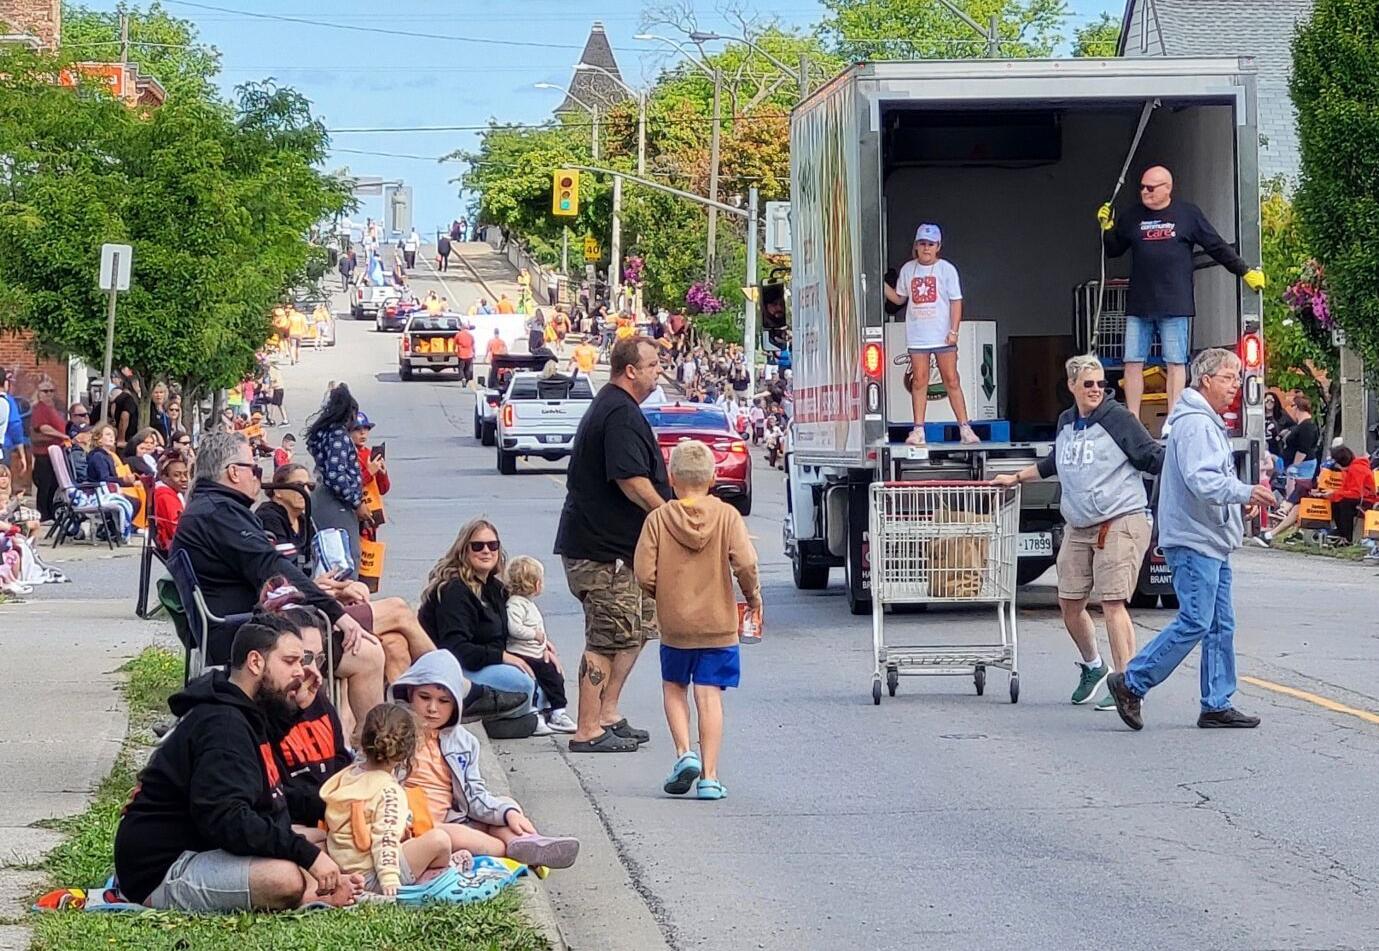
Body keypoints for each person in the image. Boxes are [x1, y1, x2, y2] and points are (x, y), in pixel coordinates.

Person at [113, 620, 363, 911]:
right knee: (285, 878)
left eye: (303, 661)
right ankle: (309, 894)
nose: (301, 671)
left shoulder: (244, 711)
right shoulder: (223, 726)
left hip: (205, 846)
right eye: (290, 661)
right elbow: (227, 820)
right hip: (162, 870)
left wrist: (300, 706)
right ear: (255, 662)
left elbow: (262, 780)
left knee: (322, 840)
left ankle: (314, 884)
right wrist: (306, 857)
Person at [1106, 348, 1274, 731]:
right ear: (1207, 380)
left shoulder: (1202, 420)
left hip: (1208, 537)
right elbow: (1202, 480)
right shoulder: (1196, 424)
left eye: (1236, 377)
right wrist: (1245, 494)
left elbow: (1207, 482)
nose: (1236, 385)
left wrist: (1237, 504)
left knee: (1218, 624)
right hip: (1196, 539)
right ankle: (1132, 682)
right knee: (1197, 620)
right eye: (1230, 377)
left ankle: (1216, 701)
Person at [170, 431, 384, 725]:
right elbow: (271, 566)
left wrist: (326, 596)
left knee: (391, 641)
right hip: (246, 633)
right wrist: (336, 613)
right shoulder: (219, 513)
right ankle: (380, 752)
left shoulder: (212, 509)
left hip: (247, 622)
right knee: (370, 652)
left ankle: (398, 739)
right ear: (233, 472)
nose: (259, 476)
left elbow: (269, 572)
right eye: (254, 468)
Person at [994, 355, 1162, 710]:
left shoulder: (1118, 419)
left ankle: (1127, 684)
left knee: (1113, 602)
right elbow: (1054, 462)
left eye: (1101, 384)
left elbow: (1152, 457)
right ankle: (1093, 667)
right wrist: (1016, 478)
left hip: (1119, 519)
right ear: (1071, 386)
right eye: (1088, 384)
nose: (1097, 390)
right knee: (1070, 603)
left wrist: (1183, 464)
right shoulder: (1067, 422)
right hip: (1079, 524)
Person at [554, 337, 670, 753]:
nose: (659, 370)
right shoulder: (618, 412)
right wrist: (668, 515)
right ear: (630, 370)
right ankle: (587, 728)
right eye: (653, 364)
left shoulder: (622, 408)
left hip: (624, 552)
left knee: (636, 629)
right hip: (601, 553)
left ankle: (608, 712)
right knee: (606, 637)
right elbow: (630, 479)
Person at [634, 441, 761, 800]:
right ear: (713, 478)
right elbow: (746, 564)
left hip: (675, 625)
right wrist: (752, 597)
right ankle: (709, 776)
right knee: (710, 696)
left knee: (674, 686)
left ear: (672, 479)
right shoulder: (726, 516)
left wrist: (665, 594)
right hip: (719, 622)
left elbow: (643, 571)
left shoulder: (657, 520)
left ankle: (682, 753)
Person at [1099, 165, 1267, 418]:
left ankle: (1174, 417)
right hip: (1140, 302)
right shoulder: (1133, 216)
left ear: (1168, 188)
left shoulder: (1187, 215)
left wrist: (1244, 271)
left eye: (1151, 187)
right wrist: (1107, 228)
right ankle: (1132, 417)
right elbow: (1114, 249)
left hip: (1175, 302)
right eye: (1142, 187)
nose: (1145, 191)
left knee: (1175, 361)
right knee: (1132, 361)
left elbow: (1216, 245)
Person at [391, 651, 581, 869]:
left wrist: (507, 813)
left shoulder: (464, 742)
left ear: (456, 704)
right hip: (415, 826)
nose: (433, 708)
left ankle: (531, 844)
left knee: (507, 808)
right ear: (409, 692)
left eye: (444, 701)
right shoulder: (395, 733)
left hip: (452, 817)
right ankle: (514, 851)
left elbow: (474, 796)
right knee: (488, 842)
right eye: (424, 698)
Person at [256, 462, 436, 683]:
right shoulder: (270, 516)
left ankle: (413, 707)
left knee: (394, 644)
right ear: (277, 491)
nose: (305, 491)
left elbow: (321, 571)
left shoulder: (304, 520)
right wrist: (334, 587)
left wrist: (342, 587)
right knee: (399, 609)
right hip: (302, 614)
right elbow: (291, 575)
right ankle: (446, 679)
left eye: (309, 486)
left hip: (318, 603)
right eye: (298, 485)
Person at [321, 703, 459, 896]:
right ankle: (435, 874)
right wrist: (389, 880)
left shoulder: (348, 776)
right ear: (407, 752)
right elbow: (385, 837)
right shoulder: (389, 791)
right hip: (373, 876)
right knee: (440, 840)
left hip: (346, 867)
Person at [418, 519, 539, 727]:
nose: (486, 551)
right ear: (464, 550)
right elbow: (455, 649)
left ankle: (514, 717)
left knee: (542, 680)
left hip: (484, 663)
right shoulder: (454, 591)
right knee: (524, 685)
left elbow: (513, 627)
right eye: (478, 546)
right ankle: (497, 716)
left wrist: (543, 648)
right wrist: (501, 656)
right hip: (456, 668)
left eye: (493, 545)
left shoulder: (494, 588)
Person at [882, 224, 979, 446]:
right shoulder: (908, 269)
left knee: (951, 379)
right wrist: (880, 283)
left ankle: (965, 428)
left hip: (942, 335)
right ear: (916, 246)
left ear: (938, 247)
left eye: (931, 244)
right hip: (918, 336)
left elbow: (956, 301)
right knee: (919, 381)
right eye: (922, 244)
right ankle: (918, 430)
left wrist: (954, 331)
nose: (926, 248)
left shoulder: (947, 270)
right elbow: (899, 299)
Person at [505, 556, 575, 734]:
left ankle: (557, 710)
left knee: (554, 675)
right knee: (534, 681)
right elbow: (514, 628)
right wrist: (535, 635)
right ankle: (535, 713)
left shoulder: (527, 604)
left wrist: (545, 643)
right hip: (522, 652)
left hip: (535, 651)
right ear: (536, 585)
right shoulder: (515, 604)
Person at [305, 385, 369, 573]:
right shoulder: (339, 436)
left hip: (321, 499)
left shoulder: (323, 433)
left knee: (329, 554)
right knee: (345, 557)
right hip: (336, 503)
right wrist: (357, 503)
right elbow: (336, 476)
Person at [85, 423, 142, 539]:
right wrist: (124, 480)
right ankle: (119, 529)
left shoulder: (108, 456)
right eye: (107, 434)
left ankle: (116, 528)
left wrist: (126, 481)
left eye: (113, 435)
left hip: (106, 489)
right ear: (98, 439)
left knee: (136, 500)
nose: (112, 437)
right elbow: (104, 479)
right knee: (134, 502)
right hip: (97, 492)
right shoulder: (98, 456)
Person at [28, 378, 66, 523]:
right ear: (39, 393)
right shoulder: (40, 408)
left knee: (52, 485)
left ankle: (50, 513)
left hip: (54, 453)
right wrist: (62, 435)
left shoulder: (53, 408)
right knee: (45, 485)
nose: (49, 394)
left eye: (51, 391)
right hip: (44, 453)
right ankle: (43, 515)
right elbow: (43, 427)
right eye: (45, 391)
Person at [1319, 445, 1375, 542]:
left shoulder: (1356, 469)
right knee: (1336, 501)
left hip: (1367, 501)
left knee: (1344, 503)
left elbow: (1356, 493)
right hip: (1361, 498)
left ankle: (1347, 536)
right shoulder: (1352, 468)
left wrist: (1335, 494)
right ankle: (1341, 532)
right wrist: (1333, 493)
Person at [152, 450, 190, 553]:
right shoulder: (165, 496)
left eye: (186, 474)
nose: (184, 479)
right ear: (164, 477)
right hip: (178, 547)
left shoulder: (170, 493)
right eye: (177, 475)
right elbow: (175, 530)